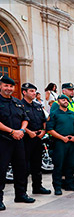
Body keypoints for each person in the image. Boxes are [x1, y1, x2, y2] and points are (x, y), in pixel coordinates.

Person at [0, 75, 34, 209]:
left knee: (21, 168)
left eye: (11, 86)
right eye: (6, 86)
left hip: (19, 140)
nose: (8, 88)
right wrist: (12, 131)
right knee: (1, 170)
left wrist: (21, 130)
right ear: (0, 86)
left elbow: (25, 118)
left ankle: (21, 194)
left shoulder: (17, 102)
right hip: (3, 141)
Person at [47, 92, 74, 195]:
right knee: (58, 165)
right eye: (63, 100)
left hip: (71, 142)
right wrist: (62, 138)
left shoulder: (72, 114)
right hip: (59, 143)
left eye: (66, 100)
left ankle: (70, 184)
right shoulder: (54, 114)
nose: (65, 101)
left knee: (70, 164)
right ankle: (57, 187)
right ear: (58, 102)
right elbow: (49, 129)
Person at [21, 83, 49, 197]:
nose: (34, 93)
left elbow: (44, 119)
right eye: (31, 91)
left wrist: (43, 131)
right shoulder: (19, 105)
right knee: (24, 166)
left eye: (34, 91)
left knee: (37, 164)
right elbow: (19, 122)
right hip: (26, 139)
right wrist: (29, 132)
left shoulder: (37, 105)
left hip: (38, 138)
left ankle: (37, 187)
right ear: (24, 92)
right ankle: (22, 191)